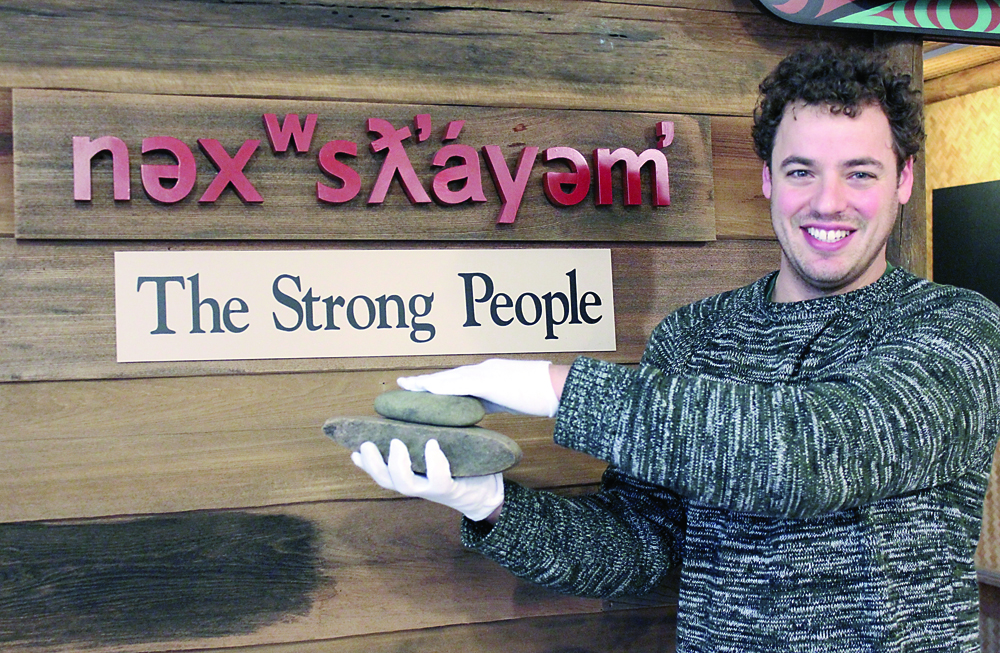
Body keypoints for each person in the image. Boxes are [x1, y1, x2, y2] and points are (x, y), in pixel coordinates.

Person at [352, 44, 1000, 652]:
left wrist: (551, 385)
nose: (828, 201)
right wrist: (490, 501)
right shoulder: (695, 336)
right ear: (769, 179)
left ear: (904, 180)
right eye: (802, 170)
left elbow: (802, 455)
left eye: (860, 172)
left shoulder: (956, 331)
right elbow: (640, 544)